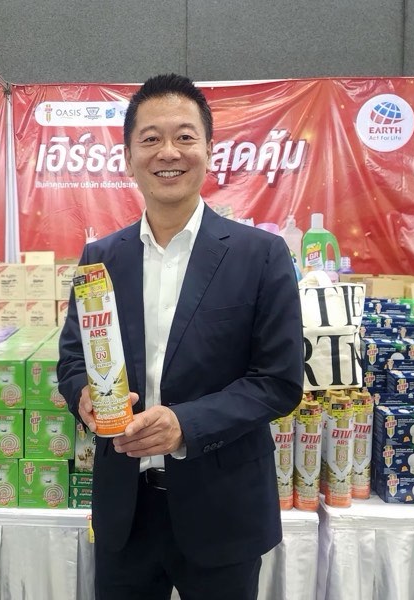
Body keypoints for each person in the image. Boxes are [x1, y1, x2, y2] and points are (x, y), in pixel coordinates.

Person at [57, 73, 303, 600]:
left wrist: (185, 425)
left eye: (184, 137)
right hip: (125, 513)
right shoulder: (101, 257)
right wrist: (83, 396)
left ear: (209, 150)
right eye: (150, 139)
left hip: (224, 510)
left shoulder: (260, 255)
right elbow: (73, 359)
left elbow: (278, 382)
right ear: (128, 157)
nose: (168, 152)